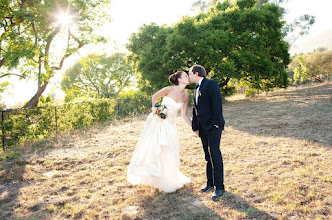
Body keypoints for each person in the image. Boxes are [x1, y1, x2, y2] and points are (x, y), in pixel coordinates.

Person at [127, 71, 191, 193]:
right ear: (179, 79)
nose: (188, 77)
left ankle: (167, 178)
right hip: (158, 122)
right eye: (186, 76)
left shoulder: (187, 96)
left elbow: (184, 115)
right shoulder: (169, 89)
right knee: (156, 149)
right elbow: (154, 97)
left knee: (170, 151)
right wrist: (158, 111)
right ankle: (154, 180)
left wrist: (195, 127)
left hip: (171, 126)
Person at [188, 64, 226, 201]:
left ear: (197, 73)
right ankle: (209, 183)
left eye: (190, 73)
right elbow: (196, 109)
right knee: (207, 156)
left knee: (215, 154)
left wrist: (216, 123)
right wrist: (195, 127)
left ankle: (219, 187)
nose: (189, 76)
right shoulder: (196, 89)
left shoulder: (211, 84)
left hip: (213, 126)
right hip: (202, 127)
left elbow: (217, 104)